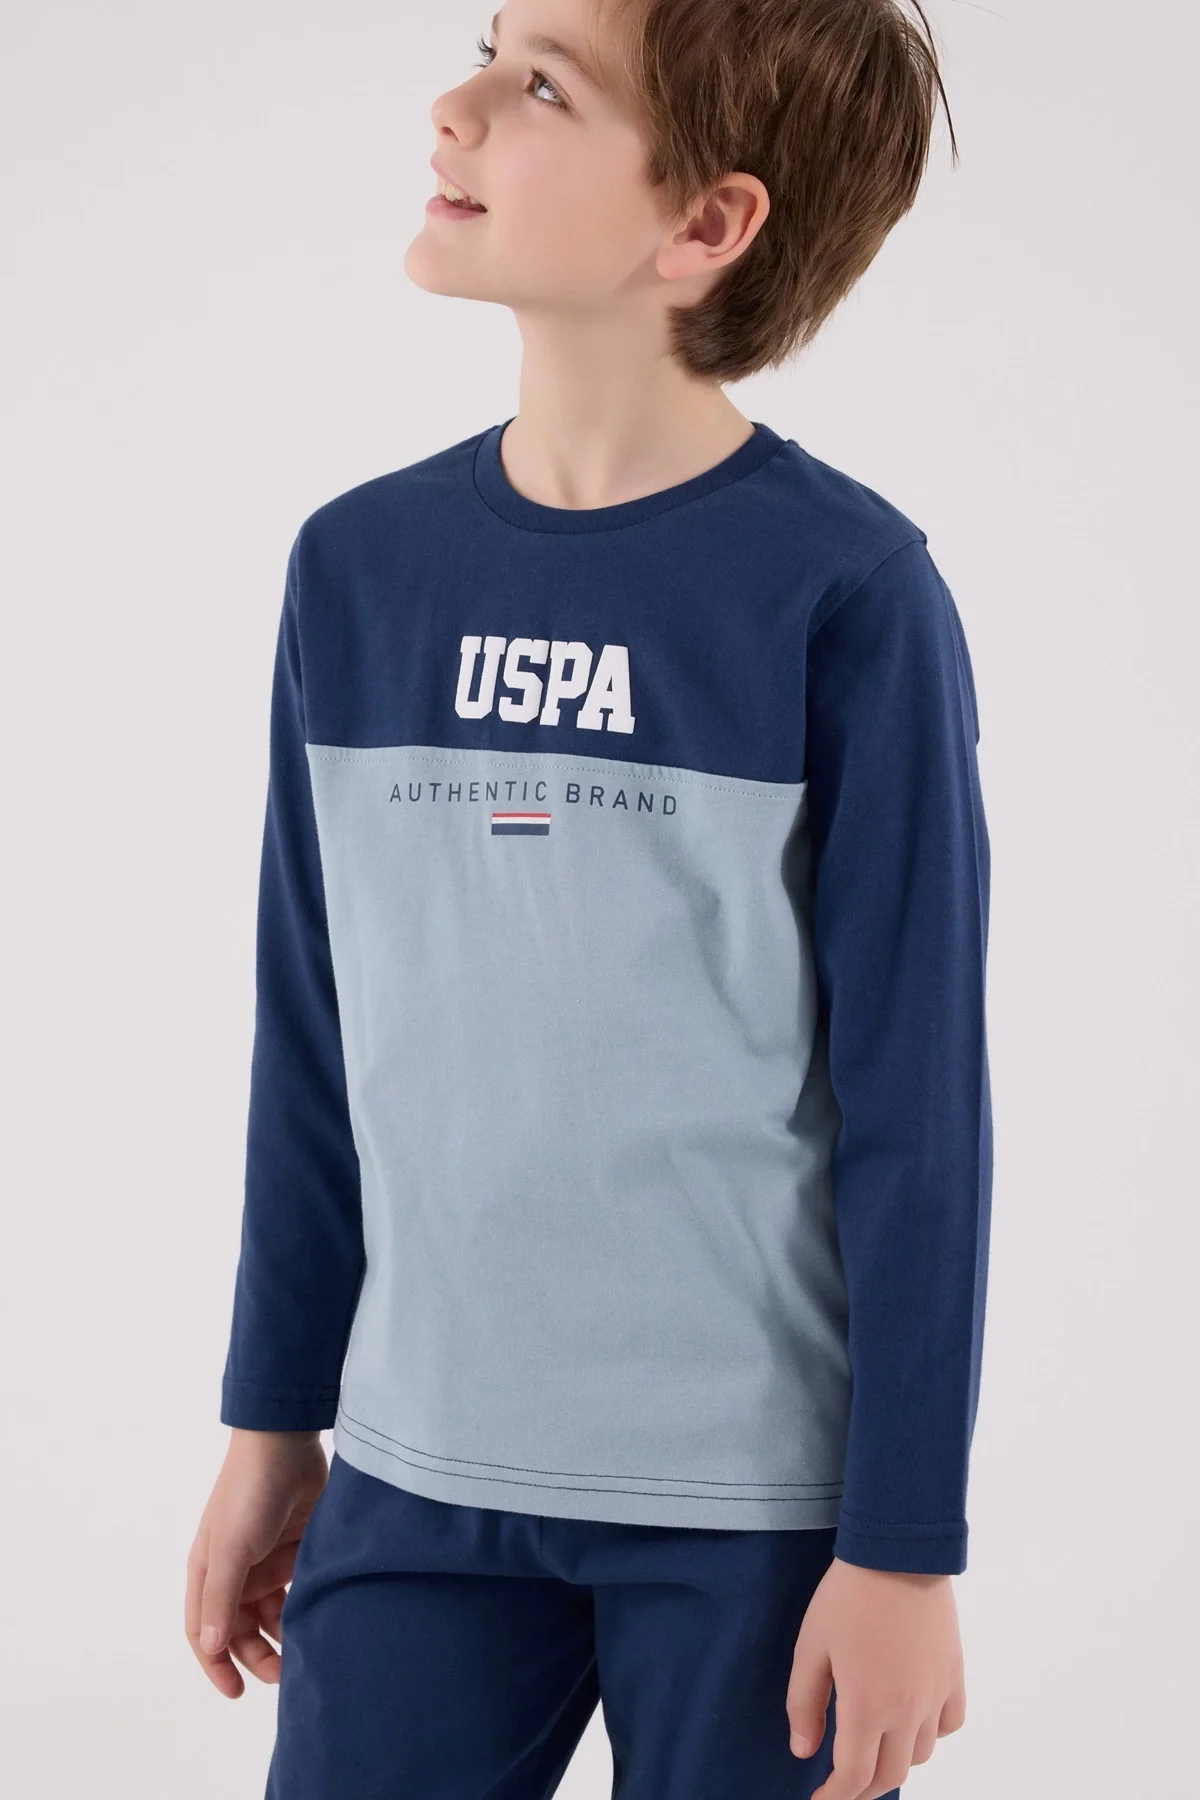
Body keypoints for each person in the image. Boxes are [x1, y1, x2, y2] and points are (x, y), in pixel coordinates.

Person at [184, 0, 993, 1794]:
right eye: (485, 46)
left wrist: (906, 1545)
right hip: (412, 1481)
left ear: (706, 221)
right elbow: (313, 1035)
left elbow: (920, 1112)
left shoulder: (845, 593)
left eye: (541, 83)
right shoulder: (358, 568)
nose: (455, 103)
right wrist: (272, 1418)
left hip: (759, 1521)